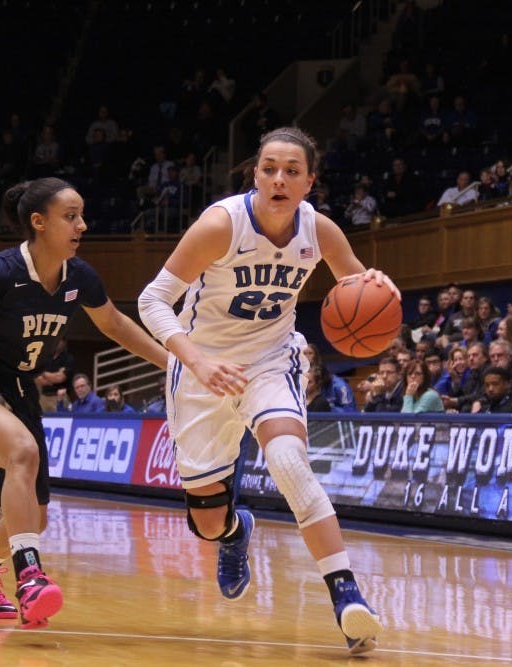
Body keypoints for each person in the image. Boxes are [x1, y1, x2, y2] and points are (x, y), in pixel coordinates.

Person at [137, 127, 392, 654]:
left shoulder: (319, 230)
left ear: (309, 182)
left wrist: (380, 287)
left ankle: (346, 595)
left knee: (288, 460)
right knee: (207, 524)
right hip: (202, 367)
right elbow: (152, 301)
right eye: (269, 168)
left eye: (292, 171)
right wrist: (197, 360)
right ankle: (234, 532)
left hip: (271, 360)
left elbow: (361, 291)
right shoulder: (221, 225)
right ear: (255, 174)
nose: (279, 179)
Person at [0, 177, 168, 629]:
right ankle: (31, 578)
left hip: (20, 392)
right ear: (39, 223)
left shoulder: (79, 276)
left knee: (34, 517)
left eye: (82, 216)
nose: (82, 225)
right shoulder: (0, 271)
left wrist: (176, 363)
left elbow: (115, 325)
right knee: (22, 451)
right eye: (71, 216)